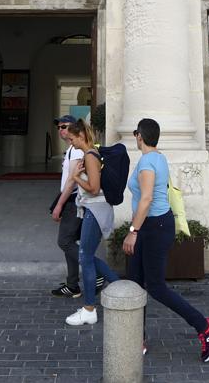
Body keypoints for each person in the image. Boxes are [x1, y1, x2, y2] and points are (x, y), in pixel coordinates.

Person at [123, 118, 209, 362]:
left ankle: (205, 326)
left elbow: (145, 200)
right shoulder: (160, 158)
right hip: (153, 225)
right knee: (134, 282)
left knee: (155, 287)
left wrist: (133, 230)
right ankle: (136, 338)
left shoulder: (147, 162)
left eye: (136, 133)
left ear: (139, 137)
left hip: (152, 227)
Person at [63, 119, 121, 325]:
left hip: (95, 210)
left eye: (72, 139)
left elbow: (94, 188)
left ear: (81, 136)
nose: (71, 143)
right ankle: (119, 286)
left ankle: (89, 308)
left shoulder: (89, 155)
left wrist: (75, 177)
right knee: (85, 255)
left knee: (85, 258)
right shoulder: (91, 154)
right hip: (94, 210)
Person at [50, 114, 85, 298]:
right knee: (70, 242)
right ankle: (72, 284)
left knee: (64, 241)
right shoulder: (72, 148)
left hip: (73, 201)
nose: (60, 130)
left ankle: (97, 272)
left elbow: (72, 181)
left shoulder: (77, 150)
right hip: (70, 200)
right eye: (59, 127)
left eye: (64, 126)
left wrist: (59, 205)